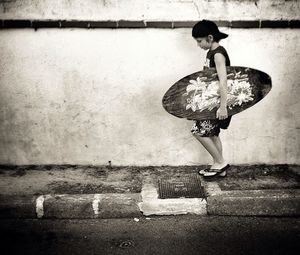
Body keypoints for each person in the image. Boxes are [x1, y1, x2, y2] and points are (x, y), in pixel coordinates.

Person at [191, 20, 231, 179]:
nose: (198, 45)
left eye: (199, 41)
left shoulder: (218, 54)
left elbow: (223, 81)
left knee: (198, 132)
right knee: (213, 135)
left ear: (209, 37)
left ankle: (220, 162)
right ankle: (220, 167)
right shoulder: (211, 53)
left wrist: (223, 106)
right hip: (210, 102)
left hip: (216, 103)